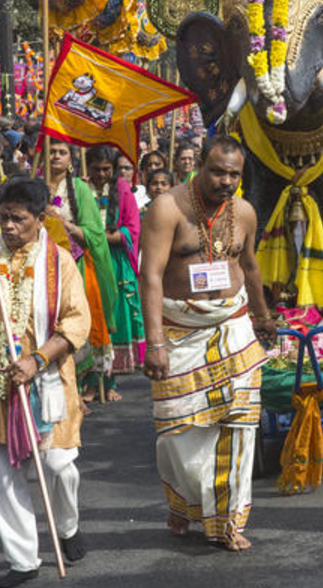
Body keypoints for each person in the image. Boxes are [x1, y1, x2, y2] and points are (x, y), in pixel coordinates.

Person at [0, 176, 92, 587]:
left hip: (46, 379)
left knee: (59, 466)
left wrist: (37, 359)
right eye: (4, 217)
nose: (9, 226)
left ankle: (66, 526)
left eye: (19, 219)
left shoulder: (59, 261)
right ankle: (23, 560)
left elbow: (76, 322)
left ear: (40, 219)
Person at [139, 135, 277, 551]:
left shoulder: (245, 211)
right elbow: (151, 275)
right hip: (180, 332)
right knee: (178, 433)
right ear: (199, 164)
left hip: (233, 326)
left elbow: (249, 266)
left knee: (238, 426)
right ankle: (185, 502)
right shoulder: (167, 208)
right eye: (217, 172)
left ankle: (226, 520)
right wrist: (154, 342)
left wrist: (263, 316)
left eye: (234, 174)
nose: (226, 181)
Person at [44, 139, 117, 396]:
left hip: (74, 267)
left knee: (75, 324)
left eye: (62, 152)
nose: (56, 156)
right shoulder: (36, 186)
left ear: (70, 159)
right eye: (52, 151)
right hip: (42, 268)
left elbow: (94, 234)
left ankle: (79, 388)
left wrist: (60, 222)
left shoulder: (79, 189)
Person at [83, 146, 144, 399]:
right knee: (89, 318)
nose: (100, 174)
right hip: (86, 260)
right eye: (95, 169)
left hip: (115, 262)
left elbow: (132, 229)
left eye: (106, 169)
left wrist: (99, 238)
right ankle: (89, 383)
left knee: (112, 320)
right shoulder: (79, 187)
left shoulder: (122, 190)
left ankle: (110, 384)